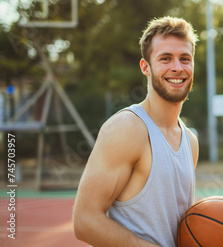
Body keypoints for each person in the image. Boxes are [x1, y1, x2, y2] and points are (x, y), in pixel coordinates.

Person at [73, 16, 199, 247]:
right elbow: (84, 221)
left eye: (185, 59)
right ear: (145, 67)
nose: (177, 67)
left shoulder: (190, 141)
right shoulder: (126, 128)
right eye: (165, 58)